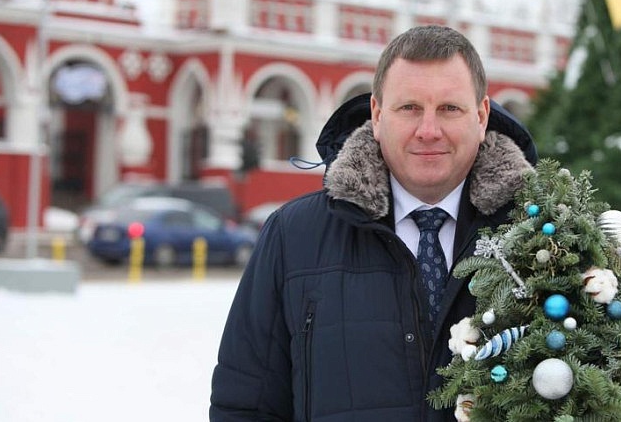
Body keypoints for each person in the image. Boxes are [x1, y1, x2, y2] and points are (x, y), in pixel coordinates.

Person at [210, 25, 537, 421]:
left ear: (481, 116)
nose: (428, 131)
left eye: (449, 108)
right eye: (409, 108)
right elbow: (245, 406)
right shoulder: (293, 236)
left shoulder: (543, 238)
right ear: (378, 116)